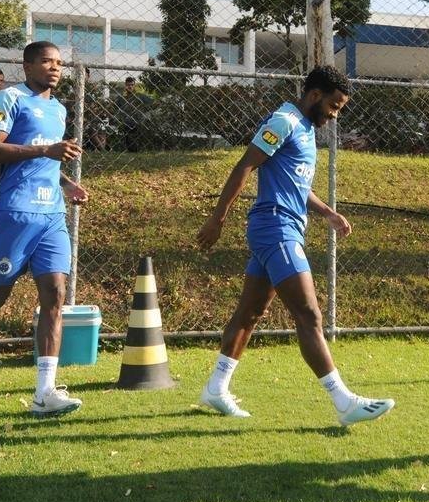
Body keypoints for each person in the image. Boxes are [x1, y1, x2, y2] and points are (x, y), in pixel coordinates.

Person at [196, 65, 395, 427]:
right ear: (315, 95)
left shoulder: (303, 129)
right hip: (276, 228)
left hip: (281, 227)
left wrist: (328, 213)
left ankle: (215, 387)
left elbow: (297, 188)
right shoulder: (284, 121)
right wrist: (218, 219)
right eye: (334, 106)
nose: (335, 115)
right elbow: (245, 166)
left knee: (250, 313)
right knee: (309, 315)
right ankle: (343, 401)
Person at [0, 41, 90, 417]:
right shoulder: (9, 98)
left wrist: (64, 183)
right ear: (27, 66)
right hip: (16, 211)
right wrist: (46, 152)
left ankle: (45, 391)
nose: (55, 68)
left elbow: (46, 155)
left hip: (52, 214)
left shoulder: (58, 107)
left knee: (55, 294)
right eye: (46, 62)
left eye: (59, 63)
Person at [117, 76, 149, 152]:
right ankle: (130, 150)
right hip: (127, 121)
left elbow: (151, 103)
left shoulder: (139, 96)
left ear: (134, 85)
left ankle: (137, 150)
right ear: (125, 85)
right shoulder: (122, 98)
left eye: (131, 85)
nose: (130, 86)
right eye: (128, 85)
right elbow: (116, 107)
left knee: (138, 137)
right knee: (128, 137)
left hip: (139, 121)